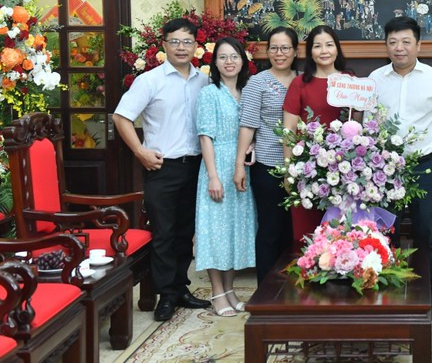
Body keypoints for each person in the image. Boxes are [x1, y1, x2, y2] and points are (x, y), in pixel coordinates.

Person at [113, 18, 211, 322]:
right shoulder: (149, 80)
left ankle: (180, 288)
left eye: (187, 42)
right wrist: (140, 151)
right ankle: (165, 295)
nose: (181, 48)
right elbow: (121, 117)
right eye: (175, 42)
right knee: (164, 233)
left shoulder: (203, 81)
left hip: (195, 166)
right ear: (164, 45)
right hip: (162, 167)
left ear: (196, 46)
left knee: (185, 233)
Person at [368, 16, 432, 322]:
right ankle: (385, 296)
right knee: (383, 233)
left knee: (426, 233)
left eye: (406, 42)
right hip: (383, 167)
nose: (399, 48)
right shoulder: (375, 79)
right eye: (392, 42)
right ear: (385, 46)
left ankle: (425, 300)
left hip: (424, 166)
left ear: (419, 45)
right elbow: (368, 125)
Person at [195, 37, 256, 316]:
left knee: (234, 231)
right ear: (215, 63)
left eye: (234, 56)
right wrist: (213, 176)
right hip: (217, 164)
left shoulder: (248, 91)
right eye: (222, 57)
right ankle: (217, 292)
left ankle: (230, 290)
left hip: (242, 167)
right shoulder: (209, 93)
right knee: (214, 230)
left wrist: (252, 146)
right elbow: (205, 137)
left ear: (242, 60)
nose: (229, 62)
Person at [233, 27, 299, 282]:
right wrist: (239, 165)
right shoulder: (257, 82)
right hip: (268, 165)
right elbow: (247, 125)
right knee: (270, 230)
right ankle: (267, 290)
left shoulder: (303, 79)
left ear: (295, 51)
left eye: (285, 48)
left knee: (295, 232)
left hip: (302, 168)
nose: (279, 53)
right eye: (274, 48)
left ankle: (293, 290)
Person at [282, 25, 350, 247]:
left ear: (337, 49)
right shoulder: (299, 83)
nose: (324, 51)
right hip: (307, 169)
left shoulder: (350, 80)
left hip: (345, 170)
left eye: (329, 45)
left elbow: (357, 124)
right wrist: (288, 171)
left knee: (342, 239)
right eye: (317, 46)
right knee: (308, 238)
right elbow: (288, 130)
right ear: (310, 52)